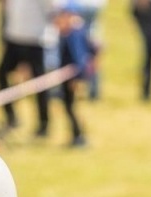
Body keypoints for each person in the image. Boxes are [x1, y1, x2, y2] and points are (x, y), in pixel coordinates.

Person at [0, 0, 51, 131]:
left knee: (40, 83)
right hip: (13, 38)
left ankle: (43, 123)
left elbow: (52, 10)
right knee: (1, 74)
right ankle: (11, 117)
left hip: (35, 40)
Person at [53, 3, 93, 147]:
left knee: (71, 107)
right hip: (69, 76)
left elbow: (79, 58)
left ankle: (79, 136)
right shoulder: (77, 31)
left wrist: (77, 79)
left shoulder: (73, 34)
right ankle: (76, 135)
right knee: (69, 107)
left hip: (71, 78)